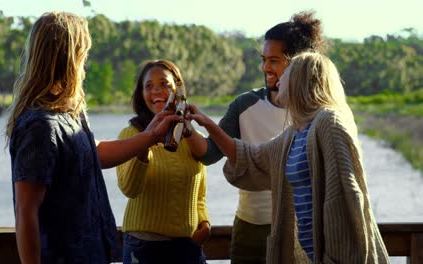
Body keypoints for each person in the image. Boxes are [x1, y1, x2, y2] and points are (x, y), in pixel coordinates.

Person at [5, 12, 181, 264]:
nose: (84, 62)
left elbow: (94, 152)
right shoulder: (40, 126)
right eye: (83, 53)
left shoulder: (69, 115)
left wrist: (151, 135)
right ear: (70, 57)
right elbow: (26, 212)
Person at [187, 52, 390, 263]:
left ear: (300, 80)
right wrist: (206, 123)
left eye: (287, 72)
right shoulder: (295, 132)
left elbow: (344, 200)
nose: (280, 77)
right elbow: (253, 159)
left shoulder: (329, 123)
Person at [187, 11, 327, 264]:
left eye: (274, 60)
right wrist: (187, 127)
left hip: (302, 231)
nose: (265, 68)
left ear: (298, 62)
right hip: (249, 227)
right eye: (264, 59)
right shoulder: (244, 105)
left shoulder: (319, 113)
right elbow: (208, 154)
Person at [116, 59, 210, 264]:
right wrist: (146, 142)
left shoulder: (193, 137)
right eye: (148, 86)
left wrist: (203, 221)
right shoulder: (130, 134)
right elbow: (129, 189)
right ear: (141, 95)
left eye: (164, 84)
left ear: (178, 89)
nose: (156, 91)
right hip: (144, 248)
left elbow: (199, 191)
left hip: (188, 247)